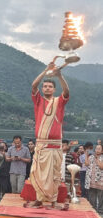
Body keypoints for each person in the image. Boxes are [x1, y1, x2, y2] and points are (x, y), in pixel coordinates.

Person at [29, 62, 69, 207]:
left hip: (56, 145)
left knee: (53, 174)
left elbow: (67, 92)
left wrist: (59, 75)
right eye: (45, 86)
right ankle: (39, 199)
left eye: (50, 86)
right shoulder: (38, 100)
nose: (47, 88)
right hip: (41, 144)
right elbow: (34, 86)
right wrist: (46, 70)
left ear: (54, 89)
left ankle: (52, 200)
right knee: (39, 173)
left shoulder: (59, 102)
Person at [85, 145, 103, 213]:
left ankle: (101, 210)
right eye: (96, 148)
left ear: (102, 151)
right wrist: (86, 155)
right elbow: (86, 164)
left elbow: (101, 167)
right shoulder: (91, 157)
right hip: (91, 180)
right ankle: (93, 210)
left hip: (100, 181)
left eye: (99, 149)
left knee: (101, 197)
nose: (97, 150)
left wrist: (97, 158)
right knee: (92, 196)